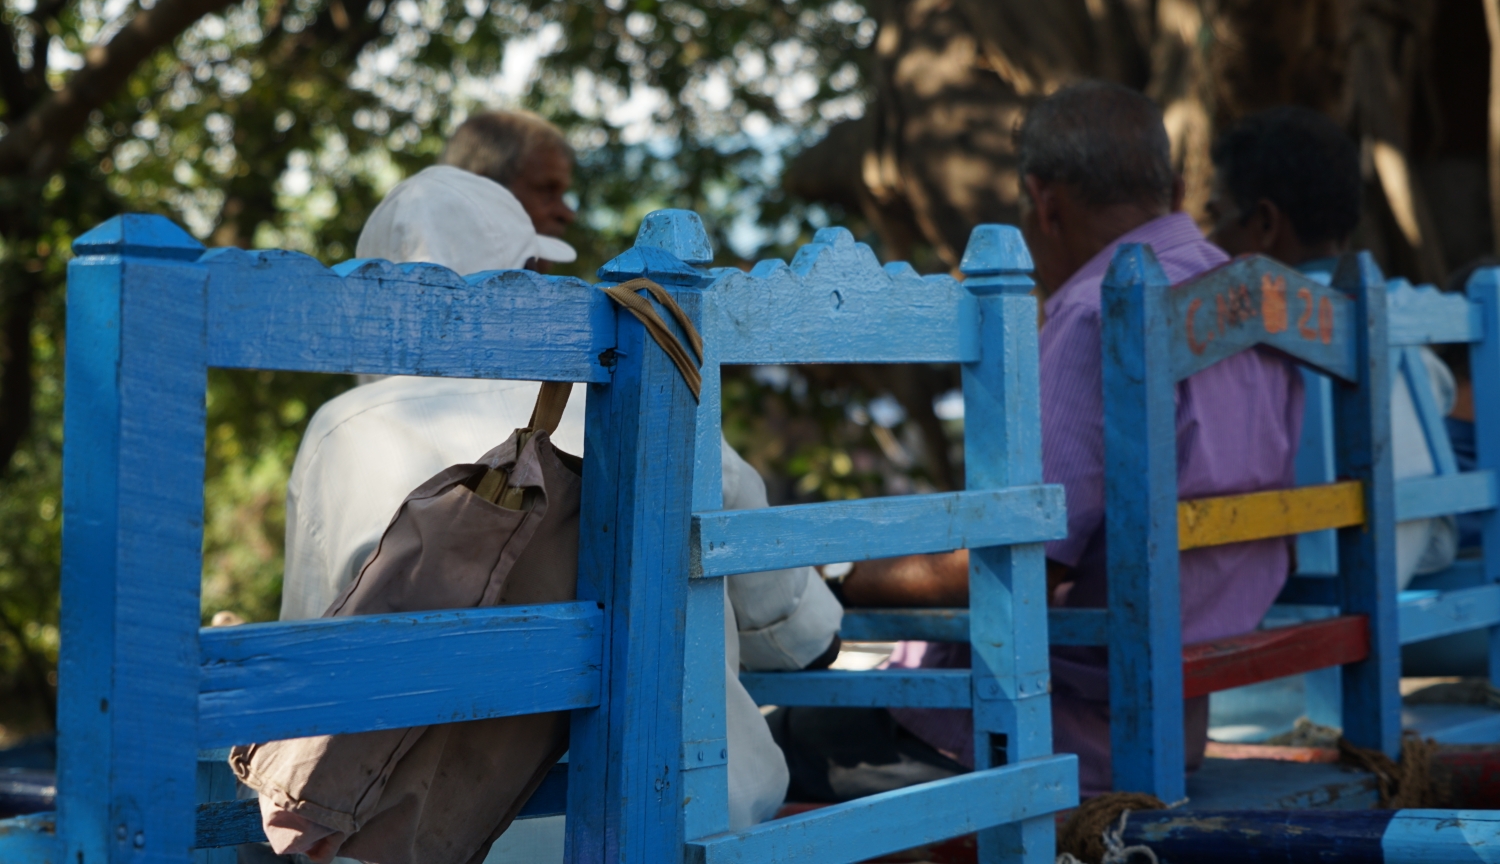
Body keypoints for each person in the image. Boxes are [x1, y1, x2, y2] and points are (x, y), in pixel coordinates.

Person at [277, 111, 841, 859]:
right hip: (694, 825)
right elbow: (802, 637)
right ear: (533, 277)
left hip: (450, 845)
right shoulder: (650, 397)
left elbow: (305, 676)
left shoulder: (342, 431)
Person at [769, 82, 1305, 799]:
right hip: (1183, 712)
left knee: (752, 762)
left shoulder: (1097, 313)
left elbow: (1018, 565)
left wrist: (830, 574)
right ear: (1174, 187)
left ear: (1042, 200)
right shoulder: (1262, 302)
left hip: (1045, 728)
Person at [1206, 105, 1458, 589]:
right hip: (1397, 579)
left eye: (1215, 216)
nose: (1210, 240)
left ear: (1263, 223)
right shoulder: (1401, 312)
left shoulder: (1243, 343)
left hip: (1299, 611)